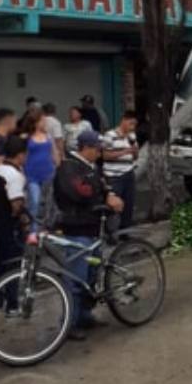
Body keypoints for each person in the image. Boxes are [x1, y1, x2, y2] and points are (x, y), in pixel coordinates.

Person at [54, 131, 124, 340]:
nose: (100, 152)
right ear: (86, 148)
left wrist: (109, 194)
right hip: (76, 229)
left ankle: (85, 315)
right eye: (97, 148)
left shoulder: (93, 168)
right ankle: (69, 323)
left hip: (93, 228)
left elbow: (104, 185)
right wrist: (102, 194)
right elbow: (80, 192)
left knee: (91, 276)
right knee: (76, 279)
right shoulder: (69, 167)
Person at [0, 136, 28, 314]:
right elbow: (16, 205)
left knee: (2, 262)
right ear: (20, 155)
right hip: (11, 225)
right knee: (14, 264)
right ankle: (12, 304)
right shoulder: (14, 175)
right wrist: (23, 221)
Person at [22, 111, 60, 229]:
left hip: (48, 173)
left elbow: (54, 153)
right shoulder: (26, 137)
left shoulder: (48, 136)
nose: (45, 123)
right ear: (36, 122)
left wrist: (58, 165)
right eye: (43, 121)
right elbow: (23, 156)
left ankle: (43, 227)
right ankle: (33, 228)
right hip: (31, 174)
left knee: (48, 202)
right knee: (35, 200)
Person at [103, 111, 140, 229]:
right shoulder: (110, 135)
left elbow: (135, 156)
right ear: (123, 120)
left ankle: (125, 230)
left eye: (134, 125)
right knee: (113, 205)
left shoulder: (132, 136)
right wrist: (125, 151)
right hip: (114, 176)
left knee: (128, 204)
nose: (132, 127)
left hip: (128, 173)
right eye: (130, 124)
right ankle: (111, 231)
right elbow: (105, 155)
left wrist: (135, 151)